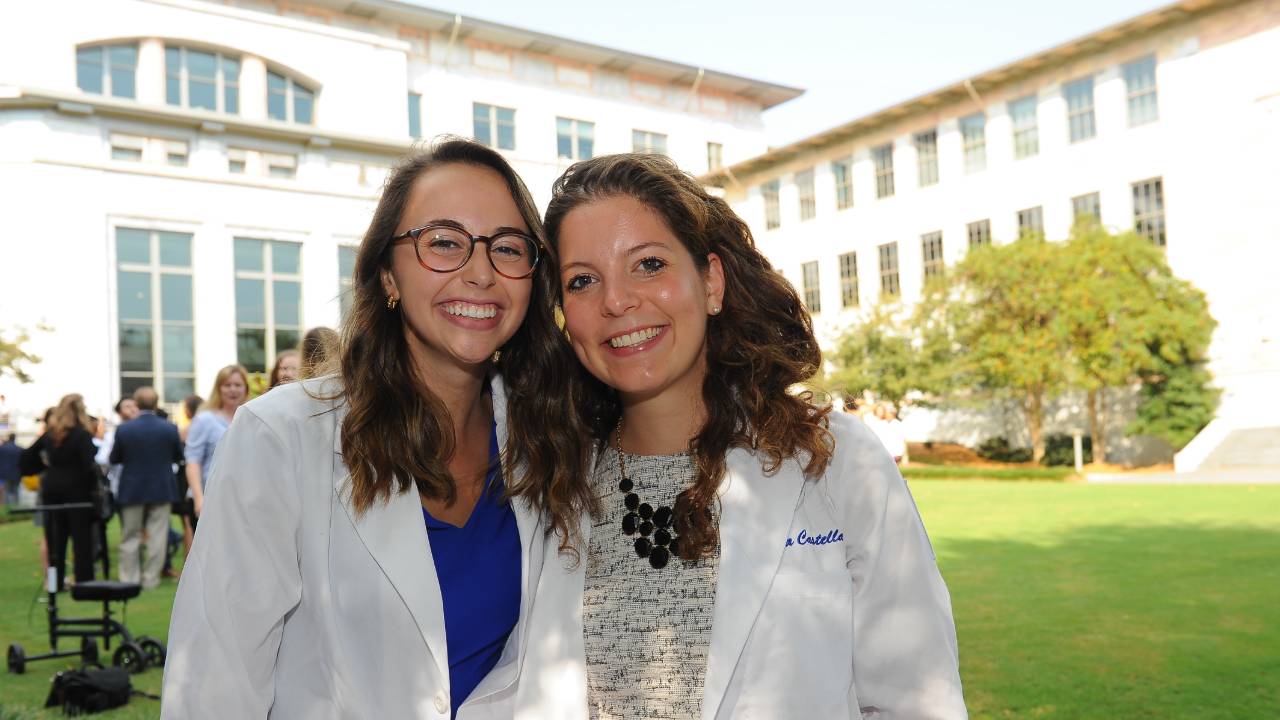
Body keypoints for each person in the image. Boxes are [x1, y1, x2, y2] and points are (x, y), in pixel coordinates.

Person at [516, 154, 966, 719]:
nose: (616, 301)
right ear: (564, 316)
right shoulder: (549, 486)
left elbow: (919, 700)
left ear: (711, 282)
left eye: (649, 264)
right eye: (583, 281)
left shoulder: (838, 461)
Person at [162, 139, 591, 719]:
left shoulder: (551, 437)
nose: (481, 273)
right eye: (443, 243)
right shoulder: (284, 435)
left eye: (509, 249)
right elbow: (214, 685)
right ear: (387, 274)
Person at [19, 394, 100, 590]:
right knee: (81, 539)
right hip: (77, 491)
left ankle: (55, 582)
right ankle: (84, 581)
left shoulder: (51, 434)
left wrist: (47, 467)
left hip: (52, 488)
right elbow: (88, 464)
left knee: (55, 539)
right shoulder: (81, 435)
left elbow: (26, 459)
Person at [109, 386, 183, 589]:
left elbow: (115, 458)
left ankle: (129, 578)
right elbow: (178, 455)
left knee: (130, 535)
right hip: (161, 487)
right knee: (158, 535)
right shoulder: (169, 428)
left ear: (136, 403)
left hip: (132, 487)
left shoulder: (124, 429)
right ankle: (151, 579)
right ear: (156, 403)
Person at [183, 365, 248, 522]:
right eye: (227, 385)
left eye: (237, 385)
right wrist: (199, 498)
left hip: (242, 500)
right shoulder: (204, 420)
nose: (233, 390)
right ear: (218, 389)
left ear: (245, 388)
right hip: (209, 499)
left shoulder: (251, 419)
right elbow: (193, 461)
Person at [0, 432, 21, 507]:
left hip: (5, 474)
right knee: (16, 492)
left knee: (6, 492)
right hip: (17, 474)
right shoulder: (19, 449)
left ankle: (7, 509)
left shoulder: (2, 448)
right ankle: (16, 508)